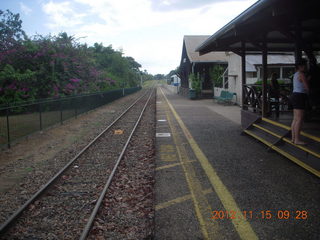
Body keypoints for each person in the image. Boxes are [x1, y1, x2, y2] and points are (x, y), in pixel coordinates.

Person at [290, 59, 309, 145]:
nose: (306, 67)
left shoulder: (296, 74)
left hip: (295, 95)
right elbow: (306, 87)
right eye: (305, 65)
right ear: (301, 66)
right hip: (300, 96)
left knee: (295, 119)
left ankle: (293, 139)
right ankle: (297, 140)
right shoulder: (301, 74)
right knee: (299, 119)